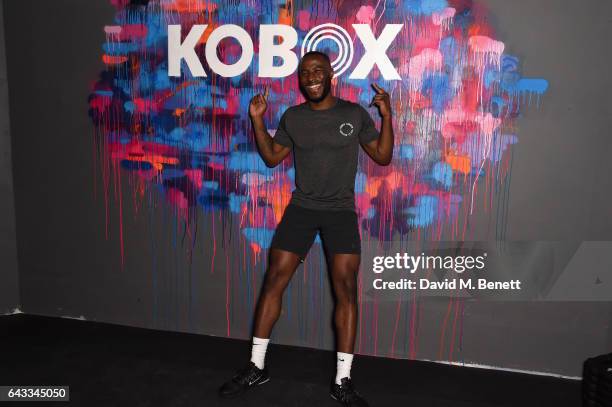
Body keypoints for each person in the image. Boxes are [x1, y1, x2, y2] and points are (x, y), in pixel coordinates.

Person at [219, 50, 393, 406]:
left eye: (318, 70)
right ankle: (256, 367)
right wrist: (256, 120)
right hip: (301, 208)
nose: (311, 76)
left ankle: (342, 381)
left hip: (340, 212)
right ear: (300, 81)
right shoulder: (293, 117)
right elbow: (271, 158)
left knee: (345, 290)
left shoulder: (353, 113)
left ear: (331, 76)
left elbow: (382, 155)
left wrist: (388, 115)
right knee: (273, 281)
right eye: (305, 72)